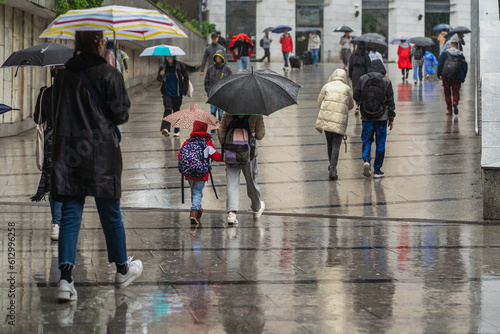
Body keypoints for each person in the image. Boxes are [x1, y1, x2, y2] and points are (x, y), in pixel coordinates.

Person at [51, 30, 142, 301]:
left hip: (70, 153)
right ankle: (122, 270)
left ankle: (66, 280)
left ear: (78, 43)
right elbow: (121, 114)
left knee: (70, 212)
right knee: (110, 212)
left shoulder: (64, 75)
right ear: (100, 43)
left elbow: (57, 111)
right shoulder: (110, 74)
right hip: (102, 153)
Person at [31, 67, 63, 241]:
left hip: (51, 141)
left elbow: (37, 119)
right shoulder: (74, 94)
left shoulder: (46, 93)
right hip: (71, 141)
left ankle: (56, 224)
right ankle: (67, 220)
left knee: (53, 183)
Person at [218, 114, 266, 225]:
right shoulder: (256, 112)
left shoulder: (227, 112)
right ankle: (256, 208)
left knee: (232, 182)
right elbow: (260, 135)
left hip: (231, 153)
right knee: (251, 181)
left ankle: (231, 213)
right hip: (249, 154)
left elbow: (221, 134)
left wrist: (228, 142)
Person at [353, 59, 396, 179]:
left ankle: (366, 159)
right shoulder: (386, 81)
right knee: (380, 142)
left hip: (366, 116)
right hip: (382, 117)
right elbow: (391, 102)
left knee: (367, 139)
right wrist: (391, 118)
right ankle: (377, 169)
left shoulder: (363, 79)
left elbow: (355, 95)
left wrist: (362, 102)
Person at [178, 121, 223, 225]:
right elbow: (216, 157)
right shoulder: (207, 143)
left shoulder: (187, 142)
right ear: (205, 129)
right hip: (201, 173)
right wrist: (227, 156)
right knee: (198, 191)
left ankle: (198, 209)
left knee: (194, 191)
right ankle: (194, 211)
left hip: (188, 173)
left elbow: (180, 155)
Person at [315, 69, 355, 180]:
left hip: (327, 119)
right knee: (336, 145)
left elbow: (319, 102)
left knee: (330, 144)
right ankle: (333, 169)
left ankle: (332, 166)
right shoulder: (346, 89)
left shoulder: (327, 86)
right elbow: (351, 105)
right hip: (339, 120)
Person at [157, 55, 189, 137]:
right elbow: (158, 78)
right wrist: (161, 75)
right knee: (168, 108)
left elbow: (186, 77)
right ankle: (166, 129)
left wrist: (184, 89)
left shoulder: (179, 65)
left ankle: (176, 130)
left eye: (170, 57)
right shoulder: (163, 66)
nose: (169, 58)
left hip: (177, 92)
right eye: (167, 57)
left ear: (173, 57)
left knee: (176, 110)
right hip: (167, 91)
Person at [437, 40, 468, 115]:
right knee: (456, 92)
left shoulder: (444, 54)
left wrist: (439, 75)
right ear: (457, 47)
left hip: (446, 77)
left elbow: (440, 64)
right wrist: (463, 77)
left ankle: (449, 110)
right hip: (456, 78)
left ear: (450, 46)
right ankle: (455, 102)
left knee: (447, 94)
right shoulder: (460, 55)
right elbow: (465, 67)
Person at [205, 51, 232, 126]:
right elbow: (206, 81)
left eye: (220, 57)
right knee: (213, 112)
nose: (218, 59)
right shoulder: (211, 68)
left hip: (223, 96)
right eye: (217, 57)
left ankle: (220, 127)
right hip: (213, 94)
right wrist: (208, 92)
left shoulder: (227, 69)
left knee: (221, 114)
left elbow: (230, 82)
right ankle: (213, 127)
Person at [349, 41, 371, 112]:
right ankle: (362, 103)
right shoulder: (365, 55)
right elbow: (368, 65)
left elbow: (350, 66)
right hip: (363, 73)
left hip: (355, 73)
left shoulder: (353, 55)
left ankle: (357, 104)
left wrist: (350, 75)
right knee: (363, 88)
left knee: (356, 89)